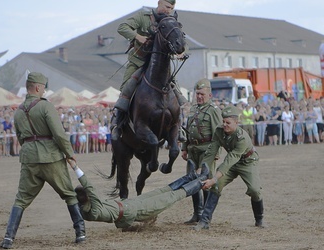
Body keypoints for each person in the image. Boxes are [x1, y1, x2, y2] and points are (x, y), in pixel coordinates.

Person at [0, 72, 86, 249]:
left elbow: (20, 137)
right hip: (50, 157)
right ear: (37, 87)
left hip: (29, 159)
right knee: (69, 194)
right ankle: (81, 233)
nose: (44, 91)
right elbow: (59, 134)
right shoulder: (45, 107)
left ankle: (8, 238)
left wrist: (32, 148)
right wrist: (69, 153)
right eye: (44, 87)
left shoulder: (19, 111)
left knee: (21, 199)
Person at [112, 0, 188, 140]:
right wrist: (137, 36)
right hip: (139, 63)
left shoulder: (171, 21)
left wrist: (182, 52)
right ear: (159, 3)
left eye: (171, 8)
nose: (168, 10)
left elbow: (180, 39)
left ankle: (179, 128)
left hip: (160, 66)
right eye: (166, 6)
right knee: (126, 88)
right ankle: (118, 125)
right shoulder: (143, 17)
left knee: (176, 91)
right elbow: (122, 27)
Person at [69, 158, 209, 229]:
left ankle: (190, 177)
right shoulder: (93, 211)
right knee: (172, 196)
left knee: (163, 190)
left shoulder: (84, 209)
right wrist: (75, 168)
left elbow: (82, 194)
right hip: (132, 212)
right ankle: (202, 179)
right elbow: (90, 188)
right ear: (87, 199)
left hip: (127, 204)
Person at [193, 106, 265, 231]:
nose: (224, 125)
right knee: (217, 186)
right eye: (223, 122)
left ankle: (259, 219)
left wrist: (214, 178)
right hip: (233, 163)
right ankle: (204, 221)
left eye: (228, 123)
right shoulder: (219, 131)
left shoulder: (242, 137)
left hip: (247, 162)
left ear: (236, 123)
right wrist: (202, 168)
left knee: (254, 190)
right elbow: (211, 152)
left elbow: (230, 159)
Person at [180, 79, 222, 224]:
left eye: (202, 94)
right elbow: (188, 130)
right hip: (193, 151)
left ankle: (205, 216)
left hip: (207, 151)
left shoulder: (213, 111)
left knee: (205, 182)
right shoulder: (193, 109)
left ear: (209, 95)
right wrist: (184, 148)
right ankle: (197, 214)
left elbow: (218, 135)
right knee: (192, 181)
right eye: (197, 94)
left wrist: (215, 155)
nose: (199, 97)